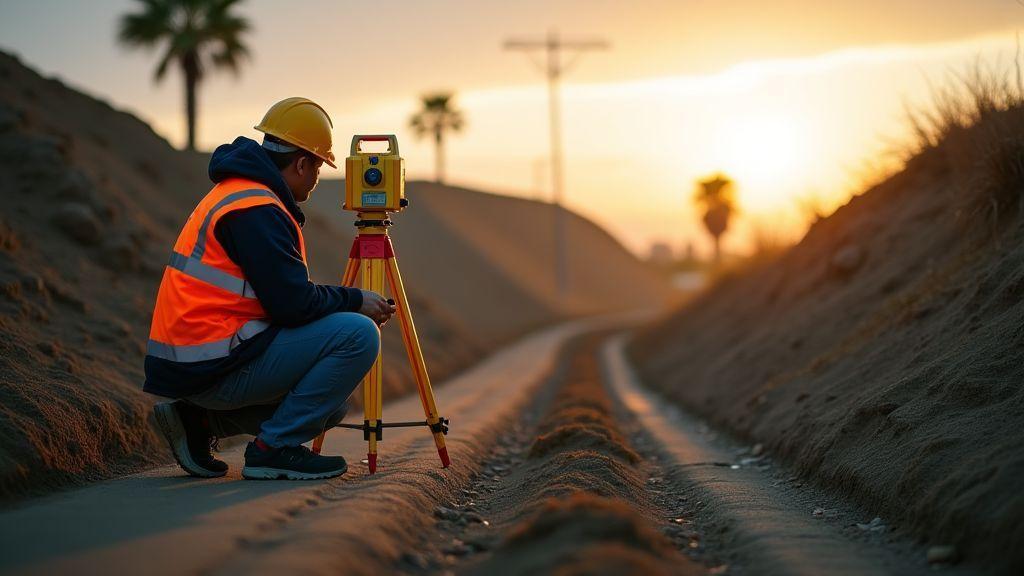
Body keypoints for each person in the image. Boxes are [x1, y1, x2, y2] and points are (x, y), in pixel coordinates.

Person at [144, 97, 395, 480]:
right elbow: (292, 305)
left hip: (197, 358)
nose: (316, 179)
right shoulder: (256, 208)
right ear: (300, 163)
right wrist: (356, 299)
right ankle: (272, 450)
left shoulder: (239, 193)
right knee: (359, 335)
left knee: (332, 406)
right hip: (211, 361)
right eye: (317, 167)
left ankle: (196, 421)